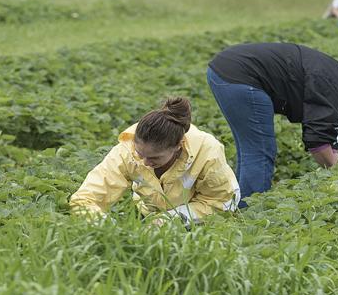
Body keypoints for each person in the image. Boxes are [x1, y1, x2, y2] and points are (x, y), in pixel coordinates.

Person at [205, 42, 338, 204]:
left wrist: (334, 159)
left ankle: (237, 203)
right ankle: (250, 214)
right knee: (260, 151)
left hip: (224, 70)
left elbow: (328, 130)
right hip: (242, 77)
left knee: (250, 149)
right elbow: (318, 142)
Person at [69, 97, 240, 226]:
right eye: (140, 153)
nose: (144, 162)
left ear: (178, 146)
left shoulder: (208, 151)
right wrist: (108, 227)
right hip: (148, 214)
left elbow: (219, 202)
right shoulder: (126, 151)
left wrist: (169, 219)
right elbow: (85, 199)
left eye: (154, 158)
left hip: (200, 220)